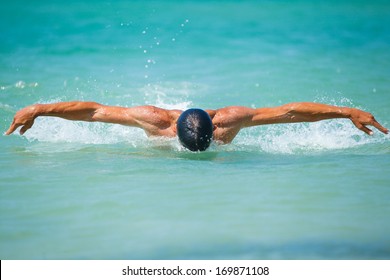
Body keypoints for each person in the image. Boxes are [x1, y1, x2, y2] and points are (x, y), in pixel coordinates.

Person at [5, 101, 388, 151]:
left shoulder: (229, 121)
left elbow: (290, 113)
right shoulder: (156, 123)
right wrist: (40, 109)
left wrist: (346, 112)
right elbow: (93, 112)